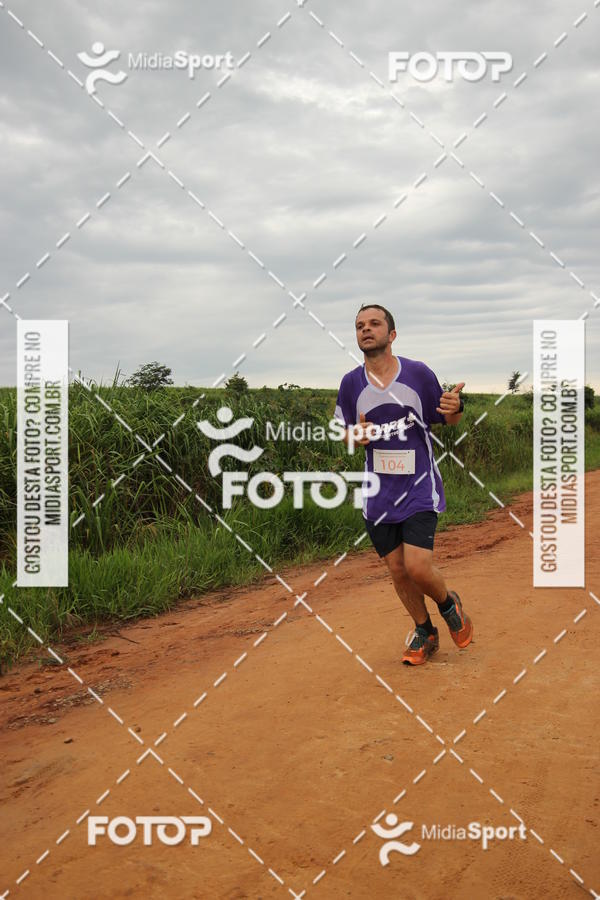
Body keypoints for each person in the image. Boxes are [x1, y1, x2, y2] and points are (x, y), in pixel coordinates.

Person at [334, 303, 473, 666]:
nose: (366, 329)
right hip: (378, 495)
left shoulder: (417, 374)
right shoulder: (351, 384)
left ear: (392, 334)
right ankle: (425, 631)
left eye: (374, 323)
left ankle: (449, 605)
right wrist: (355, 437)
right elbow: (344, 431)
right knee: (397, 570)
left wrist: (456, 406)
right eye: (360, 325)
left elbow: (448, 418)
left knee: (418, 566)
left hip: (418, 486)